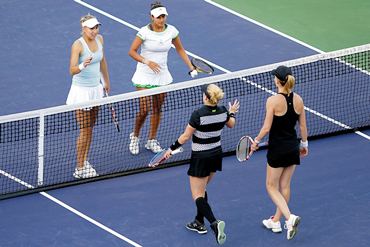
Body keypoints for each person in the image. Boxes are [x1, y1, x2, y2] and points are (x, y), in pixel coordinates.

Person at [164, 84, 240, 245]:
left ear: (206, 97)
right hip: (216, 154)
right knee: (203, 189)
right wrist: (231, 111)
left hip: (201, 157)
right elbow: (231, 123)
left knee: (197, 195)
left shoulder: (198, 115)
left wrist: (170, 150)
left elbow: (185, 137)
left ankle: (214, 223)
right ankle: (199, 222)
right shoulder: (223, 112)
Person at [128, 1, 198, 155]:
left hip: (162, 76)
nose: (162, 20)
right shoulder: (143, 32)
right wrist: (147, 61)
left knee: (158, 109)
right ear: (152, 17)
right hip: (144, 75)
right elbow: (132, 51)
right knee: (144, 109)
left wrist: (190, 66)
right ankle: (135, 136)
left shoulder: (172, 31)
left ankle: (151, 139)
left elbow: (180, 49)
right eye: (159, 17)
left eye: (163, 16)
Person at [251, 65, 308, 240]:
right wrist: (304, 144)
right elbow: (303, 126)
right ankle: (276, 221)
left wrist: (256, 142)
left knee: (271, 186)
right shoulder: (298, 99)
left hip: (277, 150)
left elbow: (267, 127)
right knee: (284, 186)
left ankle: (289, 218)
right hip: (293, 147)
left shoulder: (273, 101)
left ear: (277, 80)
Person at [66, 14, 110, 179]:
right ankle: (79, 167)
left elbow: (102, 61)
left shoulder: (100, 39)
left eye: (96, 27)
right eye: (91, 28)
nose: (94, 30)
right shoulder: (78, 45)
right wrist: (82, 65)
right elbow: (71, 70)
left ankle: (85, 160)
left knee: (90, 128)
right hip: (81, 92)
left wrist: (106, 81)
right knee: (84, 130)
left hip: (96, 89)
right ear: (84, 28)